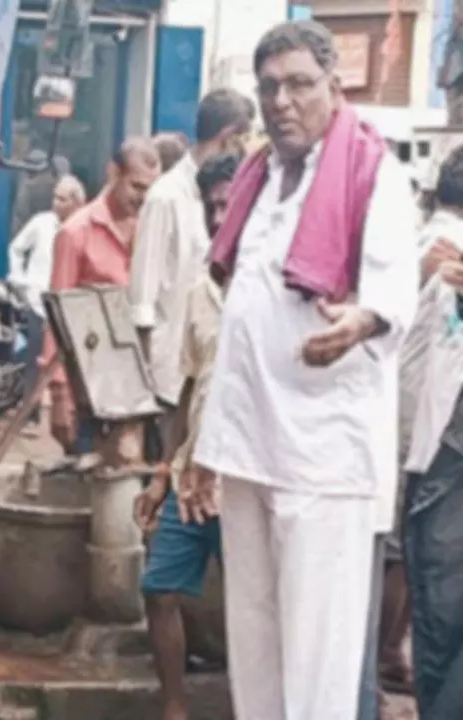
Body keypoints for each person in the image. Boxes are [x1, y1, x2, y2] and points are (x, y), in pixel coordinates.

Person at [184, 21, 420, 719]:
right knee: (253, 636)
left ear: (333, 87)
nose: (282, 101)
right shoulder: (259, 180)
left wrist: (363, 322)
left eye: (299, 84)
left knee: (319, 648)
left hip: (323, 450)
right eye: (270, 88)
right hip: (249, 444)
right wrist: (208, 448)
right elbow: (240, 322)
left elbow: (392, 288)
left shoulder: (375, 174)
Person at [133, 152, 240, 720]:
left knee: (253, 606)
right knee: (158, 588)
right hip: (190, 470)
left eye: (232, 204)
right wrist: (162, 473)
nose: (224, 216)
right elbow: (187, 387)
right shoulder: (200, 289)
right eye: (215, 205)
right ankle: (175, 707)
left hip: (245, 478)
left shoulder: (274, 287)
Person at [130, 89, 255, 437]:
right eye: (243, 139)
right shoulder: (166, 197)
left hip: (213, 373)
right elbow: (142, 299)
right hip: (168, 379)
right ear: (230, 138)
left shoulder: (230, 196)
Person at [40, 137, 162, 452]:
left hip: (144, 389)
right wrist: (59, 394)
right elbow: (58, 319)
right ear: (113, 174)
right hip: (91, 393)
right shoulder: (75, 234)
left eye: (151, 189)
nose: (143, 197)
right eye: (136, 186)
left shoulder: (153, 231)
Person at [401, 145, 463, 719]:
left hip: (435, 462)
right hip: (444, 459)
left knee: (441, 623)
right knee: (441, 620)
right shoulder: (442, 257)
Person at [7, 175, 86, 425]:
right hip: (38, 303)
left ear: (76, 202)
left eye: (62, 199)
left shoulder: (83, 228)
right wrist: (20, 279)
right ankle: (30, 414)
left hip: (69, 307)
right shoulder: (41, 224)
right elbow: (16, 248)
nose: (55, 203)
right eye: (55, 197)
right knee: (35, 361)